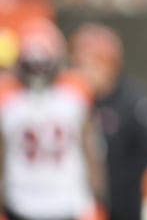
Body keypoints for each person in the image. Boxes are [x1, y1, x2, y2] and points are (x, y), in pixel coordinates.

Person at [0, 17, 106, 220]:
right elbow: (92, 152)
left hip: (28, 201)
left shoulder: (9, 99)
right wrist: (98, 197)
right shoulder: (75, 93)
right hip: (60, 201)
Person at [68, 22, 147, 220]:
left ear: (109, 65)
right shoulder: (72, 101)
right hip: (80, 203)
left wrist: (122, 180)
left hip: (123, 202)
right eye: (79, 65)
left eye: (91, 65)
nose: (84, 73)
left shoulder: (135, 101)